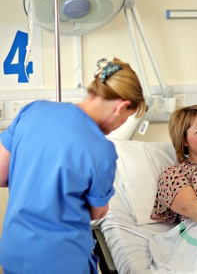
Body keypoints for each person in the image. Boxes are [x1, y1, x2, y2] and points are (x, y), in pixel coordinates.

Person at [0, 58, 146, 273]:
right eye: (126, 118)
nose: (120, 126)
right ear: (122, 107)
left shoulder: (33, 111)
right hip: (61, 261)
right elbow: (95, 213)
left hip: (15, 253)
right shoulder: (101, 150)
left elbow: (2, 175)